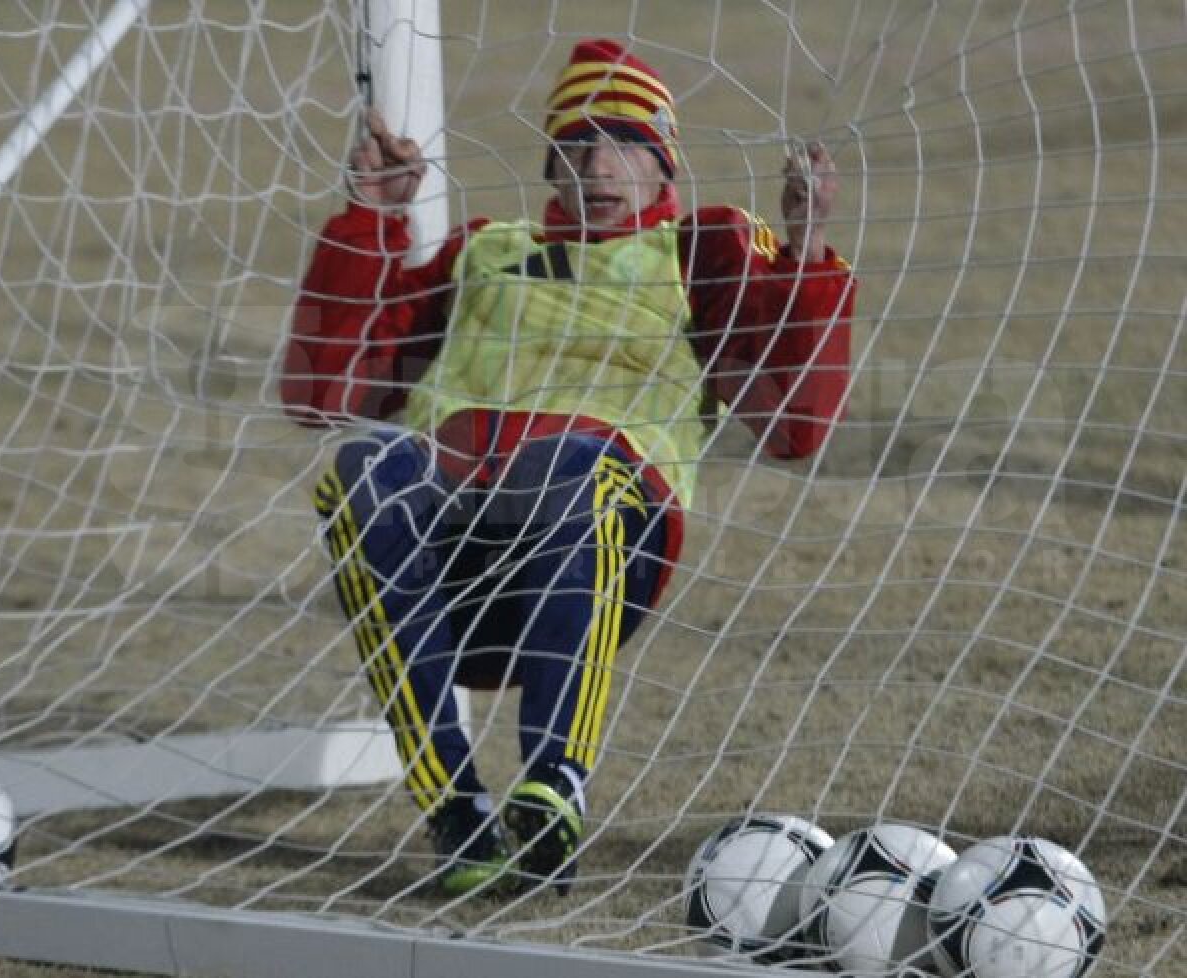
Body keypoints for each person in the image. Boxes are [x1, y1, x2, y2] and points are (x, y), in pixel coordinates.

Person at [282, 38, 857, 898]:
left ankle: (556, 783)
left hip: (600, 536)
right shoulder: (484, 251)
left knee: (568, 460)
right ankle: (456, 811)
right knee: (363, 465)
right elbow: (325, 390)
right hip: (457, 552)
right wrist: (370, 221)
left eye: (625, 143)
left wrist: (805, 248)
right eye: (577, 145)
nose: (598, 163)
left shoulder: (702, 250)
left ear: (666, 166)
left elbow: (795, 425)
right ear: (551, 165)